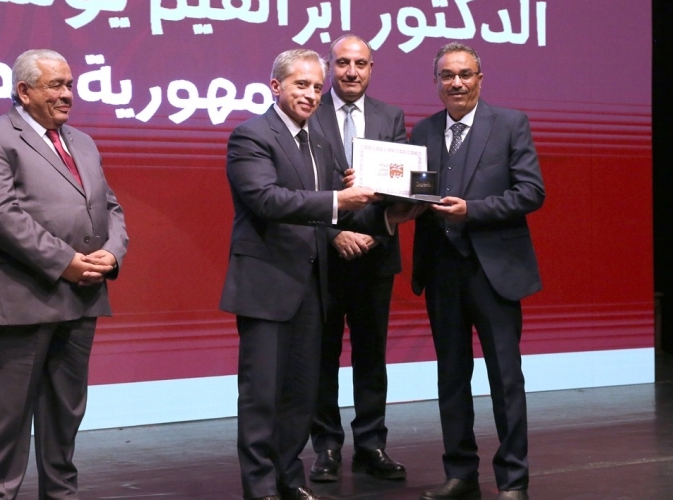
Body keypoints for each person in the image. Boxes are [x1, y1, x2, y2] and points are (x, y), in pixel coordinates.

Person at [220, 48, 421, 500]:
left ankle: (290, 479)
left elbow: (342, 210)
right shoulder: (251, 135)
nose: (311, 94)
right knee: (262, 395)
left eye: (315, 86)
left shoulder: (319, 144)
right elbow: (267, 200)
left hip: (314, 285)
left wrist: (393, 213)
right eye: (301, 85)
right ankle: (260, 488)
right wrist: (339, 200)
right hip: (267, 286)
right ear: (276, 87)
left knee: (301, 393)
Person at [0, 49, 128, 499]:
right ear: (24, 91)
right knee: (2, 428)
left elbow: (110, 207)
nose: (67, 94)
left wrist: (111, 255)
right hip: (18, 301)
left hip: (81, 299)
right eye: (56, 85)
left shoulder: (83, 142)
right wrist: (65, 262)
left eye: (69, 85)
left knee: (64, 421)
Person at [410, 42, 544, 500]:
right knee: (451, 376)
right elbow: (415, 193)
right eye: (447, 76)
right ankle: (461, 473)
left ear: (480, 79)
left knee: (505, 378)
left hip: (494, 271)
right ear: (436, 83)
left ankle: (513, 480)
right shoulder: (423, 131)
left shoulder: (509, 124)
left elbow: (531, 192)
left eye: (465, 74)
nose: (457, 83)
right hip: (441, 270)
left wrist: (474, 210)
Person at [307, 35, 408, 482]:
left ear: (371, 68)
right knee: (322, 355)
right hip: (324, 255)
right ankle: (326, 446)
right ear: (330, 66)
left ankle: (372, 444)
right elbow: (299, 186)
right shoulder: (309, 111)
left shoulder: (391, 116)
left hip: (375, 254)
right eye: (343, 63)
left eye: (360, 64)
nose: (351, 72)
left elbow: (403, 186)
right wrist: (333, 234)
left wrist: (373, 232)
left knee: (371, 357)